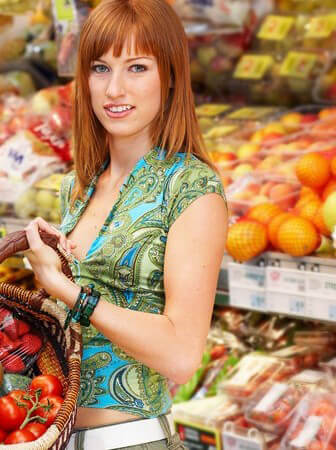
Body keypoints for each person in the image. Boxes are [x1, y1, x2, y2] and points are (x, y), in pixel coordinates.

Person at [23, 0, 228, 448]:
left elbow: (180, 355)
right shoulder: (77, 188)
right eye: (100, 68)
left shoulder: (191, 188)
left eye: (136, 68)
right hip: (53, 436)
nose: (114, 88)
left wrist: (67, 290)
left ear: (169, 76)